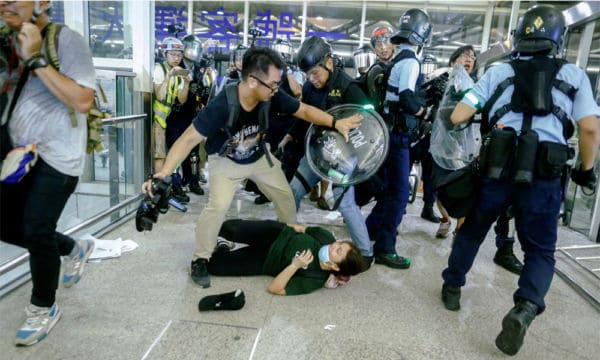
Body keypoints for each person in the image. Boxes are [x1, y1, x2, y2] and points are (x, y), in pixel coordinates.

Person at [440, 5, 600, 356]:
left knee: (473, 231)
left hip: (497, 171)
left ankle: (452, 287)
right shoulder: (574, 76)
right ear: (557, 39)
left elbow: (458, 114)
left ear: (519, 36)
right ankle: (525, 306)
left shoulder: (498, 73)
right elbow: (589, 127)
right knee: (540, 250)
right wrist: (586, 170)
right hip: (544, 178)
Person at [142, 46, 362, 289]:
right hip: (226, 161)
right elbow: (188, 138)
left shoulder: (271, 93)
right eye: (273, 84)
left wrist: (335, 122)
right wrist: (164, 172)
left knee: (285, 198)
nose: (277, 89)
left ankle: (289, 242)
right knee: (217, 207)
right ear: (252, 81)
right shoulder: (223, 104)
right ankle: (200, 259)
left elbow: (303, 110)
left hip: (259, 157)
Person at [0, 0, 96, 346]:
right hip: (17, 157)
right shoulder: (5, 41)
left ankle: (44, 306)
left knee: (36, 228)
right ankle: (72, 247)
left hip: (59, 158)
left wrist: (37, 58)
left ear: (42, 2)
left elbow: (83, 99)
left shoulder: (66, 40)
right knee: (7, 226)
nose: (5, 2)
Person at [429, 45, 523, 275]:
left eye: (472, 57)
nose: (469, 59)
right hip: (444, 149)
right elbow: (451, 114)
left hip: (475, 150)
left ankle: (497, 247)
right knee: (442, 188)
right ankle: (449, 228)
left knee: (491, 207)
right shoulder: (447, 81)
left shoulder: (482, 82)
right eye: (464, 55)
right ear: (453, 61)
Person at [288, 36, 374, 265]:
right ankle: (289, 235)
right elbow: (304, 114)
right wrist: (289, 136)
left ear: (329, 63)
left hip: (344, 159)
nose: (311, 79)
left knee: (345, 204)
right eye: (307, 74)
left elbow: (369, 125)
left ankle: (366, 254)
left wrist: (359, 162)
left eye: (315, 73)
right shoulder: (309, 87)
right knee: (292, 191)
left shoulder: (350, 88)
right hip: (317, 153)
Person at [365, 9, 432, 269]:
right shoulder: (411, 61)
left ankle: (371, 229)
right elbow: (405, 96)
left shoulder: (397, 59)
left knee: (391, 189)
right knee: (400, 194)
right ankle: (385, 247)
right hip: (398, 135)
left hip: (388, 131)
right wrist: (423, 110)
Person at [207, 219, 367, 295]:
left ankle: (223, 245)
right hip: (275, 235)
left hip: (265, 261)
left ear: (335, 267)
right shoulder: (325, 237)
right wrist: (271, 226)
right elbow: (300, 228)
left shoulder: (315, 279)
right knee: (228, 228)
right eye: (339, 244)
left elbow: (275, 288)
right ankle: (229, 237)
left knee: (215, 266)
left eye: (338, 252)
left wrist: (295, 265)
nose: (334, 246)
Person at [152, 37, 190, 176]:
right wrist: (168, 77)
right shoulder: (159, 70)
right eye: (172, 54)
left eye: (179, 55)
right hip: (156, 119)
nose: (176, 58)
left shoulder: (179, 73)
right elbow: (160, 95)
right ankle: (159, 188)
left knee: (171, 152)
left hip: (167, 119)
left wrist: (186, 83)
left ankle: (168, 186)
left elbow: (181, 99)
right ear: (165, 54)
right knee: (160, 154)